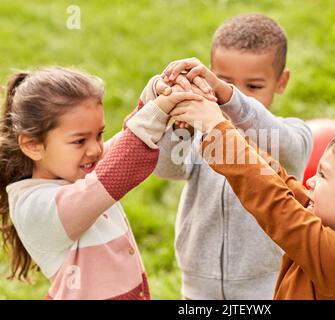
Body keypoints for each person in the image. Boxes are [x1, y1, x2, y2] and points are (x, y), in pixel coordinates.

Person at [169, 98, 335, 299]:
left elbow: (276, 205)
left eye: (323, 175)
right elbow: (282, 186)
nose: (310, 180)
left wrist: (218, 130)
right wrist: (223, 120)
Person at [142, 13, 312, 299]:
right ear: (208, 74)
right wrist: (178, 129)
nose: (235, 96)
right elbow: (166, 169)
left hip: (266, 288)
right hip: (199, 287)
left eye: (254, 86)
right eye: (224, 81)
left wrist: (228, 96)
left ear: (281, 82)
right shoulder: (202, 133)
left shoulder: (289, 133)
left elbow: (288, 147)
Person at [0, 67, 203, 299]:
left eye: (99, 135)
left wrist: (159, 98)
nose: (95, 149)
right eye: (79, 141)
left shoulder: (75, 171)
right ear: (32, 145)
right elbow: (118, 168)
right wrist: (156, 113)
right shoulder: (34, 206)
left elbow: (124, 143)